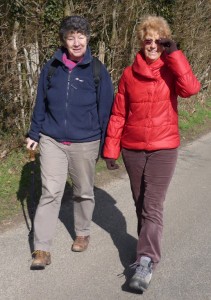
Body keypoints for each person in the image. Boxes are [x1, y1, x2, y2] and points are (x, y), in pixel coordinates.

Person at [103, 15, 201, 292]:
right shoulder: (128, 73)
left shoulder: (172, 69)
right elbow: (119, 113)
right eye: (148, 40)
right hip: (132, 148)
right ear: (141, 43)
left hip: (163, 148)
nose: (153, 45)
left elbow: (191, 89)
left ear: (166, 43)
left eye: (159, 41)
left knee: (152, 205)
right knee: (140, 202)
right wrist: (111, 149)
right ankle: (146, 246)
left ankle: (146, 260)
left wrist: (176, 54)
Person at [26, 15, 114, 270]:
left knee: (84, 191)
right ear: (64, 41)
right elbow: (40, 102)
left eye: (81, 36)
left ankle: (83, 232)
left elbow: (105, 110)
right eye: (70, 37)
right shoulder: (51, 67)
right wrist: (34, 134)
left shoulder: (97, 70)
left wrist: (107, 145)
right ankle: (41, 248)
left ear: (88, 38)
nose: (76, 42)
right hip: (51, 139)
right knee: (50, 192)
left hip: (86, 141)